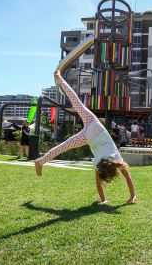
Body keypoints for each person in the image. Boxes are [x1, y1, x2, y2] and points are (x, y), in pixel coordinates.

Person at [34, 70, 137, 204]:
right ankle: (40, 161)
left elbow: (125, 178)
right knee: (63, 147)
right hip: (89, 136)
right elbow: (100, 183)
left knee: (76, 102)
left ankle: (59, 78)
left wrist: (124, 196)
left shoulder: (115, 159)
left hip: (94, 125)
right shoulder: (101, 163)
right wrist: (111, 199)